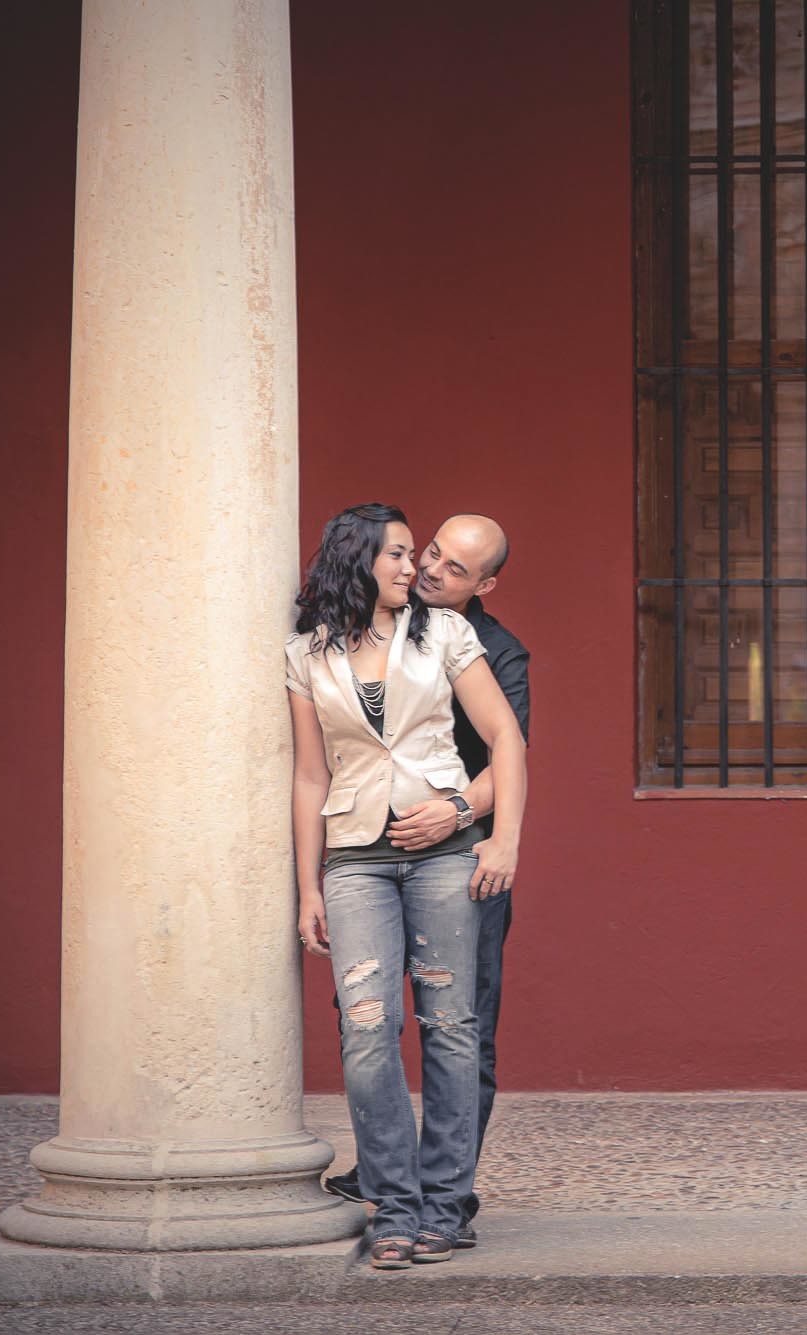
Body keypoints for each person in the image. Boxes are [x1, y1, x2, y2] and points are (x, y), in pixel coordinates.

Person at [288, 503, 527, 1269]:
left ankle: (445, 1206)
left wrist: (494, 833)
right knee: (367, 1028)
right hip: (356, 855)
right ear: (357, 560)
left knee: (452, 1027)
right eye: (406, 552)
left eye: (437, 561)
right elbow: (309, 774)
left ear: (481, 583)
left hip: (450, 855)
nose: (418, 566)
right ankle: (393, 1204)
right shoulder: (307, 652)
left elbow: (507, 739)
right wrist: (308, 886)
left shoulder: (456, 635)